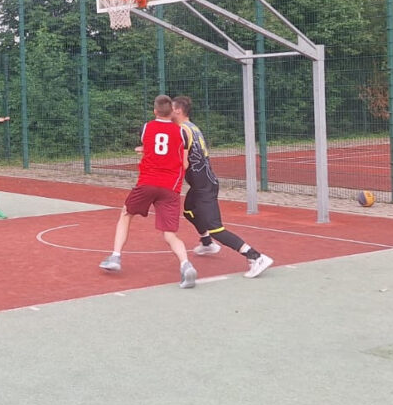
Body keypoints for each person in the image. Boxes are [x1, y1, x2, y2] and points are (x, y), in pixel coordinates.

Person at [99, 95, 197, 288]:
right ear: (172, 112)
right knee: (169, 234)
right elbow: (183, 162)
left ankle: (115, 256)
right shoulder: (182, 132)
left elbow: (155, 145)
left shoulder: (146, 128)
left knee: (126, 214)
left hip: (148, 182)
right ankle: (186, 265)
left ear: (155, 111)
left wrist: (145, 151)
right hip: (170, 187)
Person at [171, 95, 273, 278]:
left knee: (216, 228)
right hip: (201, 184)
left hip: (204, 186)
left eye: (171, 108)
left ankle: (255, 256)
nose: (168, 112)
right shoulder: (191, 127)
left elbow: (183, 162)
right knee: (189, 211)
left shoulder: (183, 130)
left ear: (178, 110)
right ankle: (207, 243)